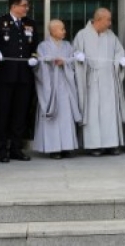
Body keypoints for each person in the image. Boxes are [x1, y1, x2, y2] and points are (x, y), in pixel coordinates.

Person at [0, 0, 39, 163]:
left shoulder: (30, 24)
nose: (27, 8)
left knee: (20, 114)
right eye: (24, 5)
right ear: (14, 6)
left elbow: (35, 46)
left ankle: (16, 148)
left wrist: (34, 57)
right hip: (4, 76)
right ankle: (1, 149)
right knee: (2, 114)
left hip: (24, 76)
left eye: (27, 5)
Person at [73, 7, 125, 156]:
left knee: (109, 112)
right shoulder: (82, 35)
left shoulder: (111, 36)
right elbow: (75, 52)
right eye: (108, 20)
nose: (110, 23)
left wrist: (121, 60)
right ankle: (94, 146)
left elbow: (119, 51)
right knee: (92, 113)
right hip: (90, 78)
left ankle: (111, 144)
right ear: (98, 20)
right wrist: (79, 57)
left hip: (108, 79)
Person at [32, 19, 82, 159]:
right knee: (53, 117)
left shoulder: (68, 45)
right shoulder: (43, 46)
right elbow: (39, 64)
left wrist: (64, 62)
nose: (64, 31)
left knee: (66, 116)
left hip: (65, 84)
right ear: (53, 31)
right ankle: (54, 149)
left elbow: (73, 61)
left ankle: (66, 147)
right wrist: (49, 61)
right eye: (62, 29)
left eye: (64, 29)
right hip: (50, 85)